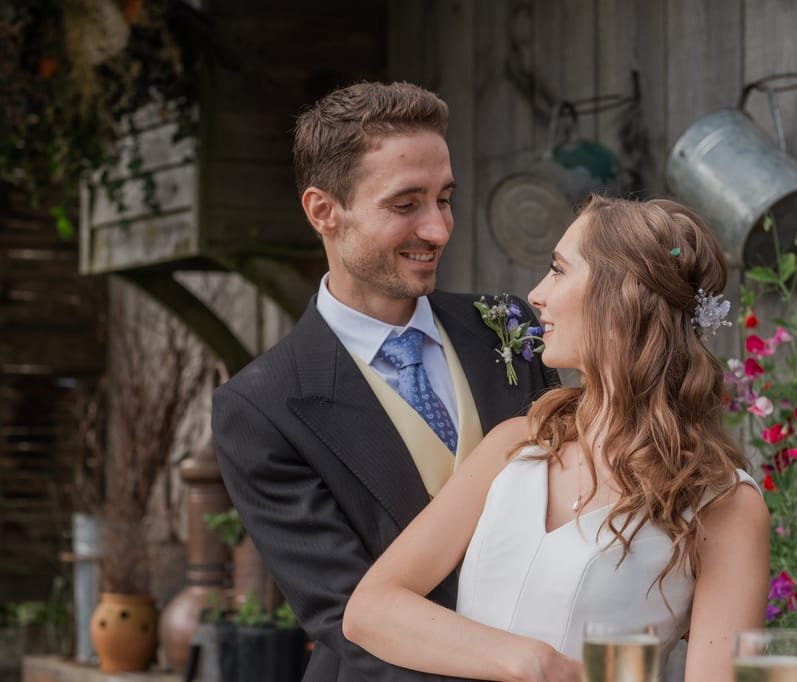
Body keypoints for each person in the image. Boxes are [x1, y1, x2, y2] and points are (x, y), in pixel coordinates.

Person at [343, 194, 771, 682]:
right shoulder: (517, 445)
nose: (537, 294)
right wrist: (533, 662)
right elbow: (371, 609)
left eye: (559, 270)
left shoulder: (723, 503)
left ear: (621, 298)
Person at [211, 81, 558, 682]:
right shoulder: (259, 407)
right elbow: (348, 615)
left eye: (444, 198)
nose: (439, 230)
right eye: (406, 205)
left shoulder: (510, 328)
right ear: (324, 211)